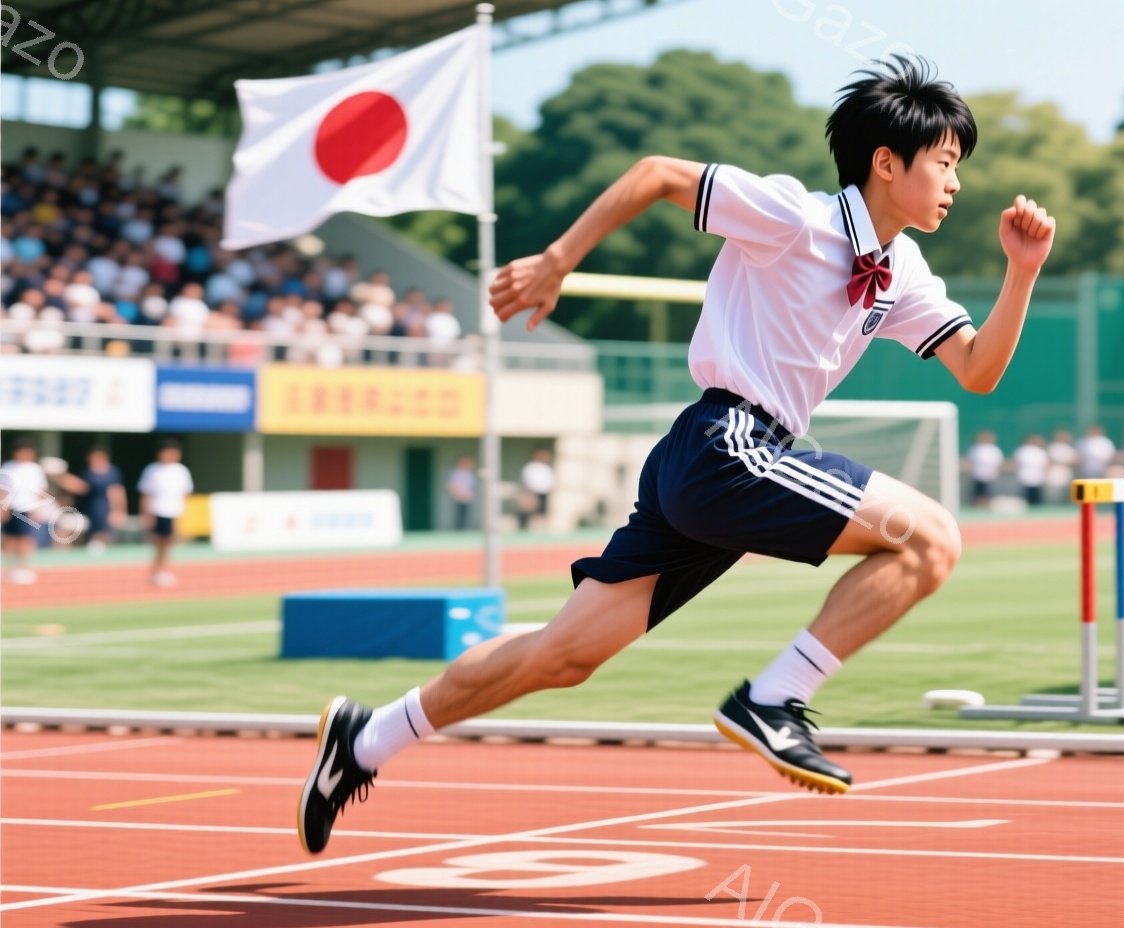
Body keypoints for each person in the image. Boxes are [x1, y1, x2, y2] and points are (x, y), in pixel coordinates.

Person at [296, 55, 1056, 855]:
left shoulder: (902, 271)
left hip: (714, 465)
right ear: (886, 162)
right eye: (945, 162)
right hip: (725, 445)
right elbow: (659, 175)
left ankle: (366, 738)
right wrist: (558, 260)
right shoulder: (797, 216)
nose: (956, 183)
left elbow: (978, 369)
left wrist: (1022, 272)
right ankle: (773, 701)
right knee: (932, 537)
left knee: (563, 655)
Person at [138, 440, 193, 587]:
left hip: (174, 512)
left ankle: (164, 570)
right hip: (157, 510)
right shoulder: (152, 470)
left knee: (169, 543)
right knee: (158, 543)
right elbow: (146, 493)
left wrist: (183, 514)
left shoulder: (181, 471)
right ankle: (156, 571)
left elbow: (185, 494)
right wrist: (146, 514)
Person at [56, 446, 126, 555]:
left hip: (103, 513)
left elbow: (117, 493)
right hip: (85, 512)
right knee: (66, 532)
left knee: (100, 545)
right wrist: (59, 476)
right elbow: (79, 487)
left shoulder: (112, 473)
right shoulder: (87, 472)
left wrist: (118, 511)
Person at [0, 439, 50, 585]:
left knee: (26, 539)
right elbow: (3, 489)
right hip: (11, 507)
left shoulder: (34, 469)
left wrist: (39, 508)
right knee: (9, 539)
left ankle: (24, 568)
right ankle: (8, 569)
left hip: (28, 507)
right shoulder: (8, 466)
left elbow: (40, 490)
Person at [517, 448, 556, 532]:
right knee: (527, 512)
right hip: (531, 492)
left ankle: (540, 531)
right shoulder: (530, 467)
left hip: (544, 493)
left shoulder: (546, 468)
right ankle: (524, 530)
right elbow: (528, 480)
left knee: (541, 514)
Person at [965, 431, 1003, 507]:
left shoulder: (994, 449)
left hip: (989, 475)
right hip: (977, 474)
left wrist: (997, 472)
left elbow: (998, 463)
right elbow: (970, 462)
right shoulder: (975, 449)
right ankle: (977, 505)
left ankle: (986, 505)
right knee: (977, 492)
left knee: (988, 492)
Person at [1013, 434, 1049, 507]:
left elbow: (1045, 465)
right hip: (1025, 476)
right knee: (1025, 496)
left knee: (1036, 496)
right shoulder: (1023, 450)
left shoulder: (1040, 451)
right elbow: (1017, 463)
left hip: (1038, 476)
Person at [1045, 428, 1078, 502]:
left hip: (1065, 472)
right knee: (1053, 492)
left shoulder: (1069, 448)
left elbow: (1074, 460)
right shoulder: (1053, 447)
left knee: (1065, 491)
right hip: (1054, 472)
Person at [446, 455, 477, 531]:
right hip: (458, 497)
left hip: (467, 497)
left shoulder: (469, 473)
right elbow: (450, 485)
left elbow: (471, 486)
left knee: (466, 515)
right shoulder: (455, 472)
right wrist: (456, 493)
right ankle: (458, 530)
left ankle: (464, 530)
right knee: (459, 515)